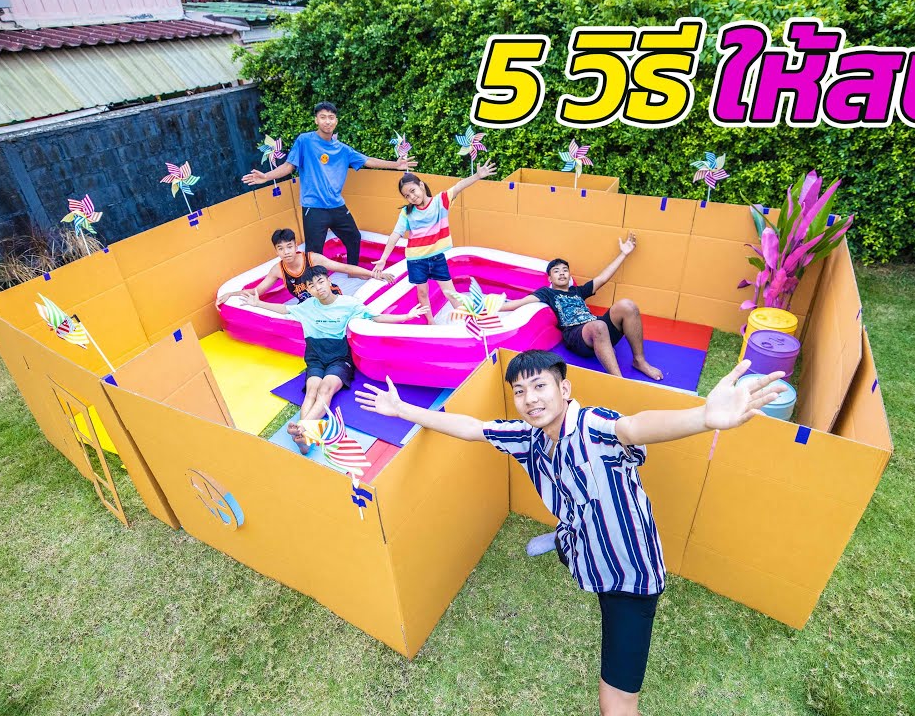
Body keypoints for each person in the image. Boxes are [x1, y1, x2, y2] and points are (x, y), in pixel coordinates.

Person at [356, 349, 786, 716]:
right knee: (570, 535)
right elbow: (471, 429)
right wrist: (403, 410)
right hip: (583, 545)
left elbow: (634, 427)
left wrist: (704, 417)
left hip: (628, 575)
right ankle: (563, 538)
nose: (529, 398)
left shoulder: (595, 427)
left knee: (615, 703)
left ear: (564, 389)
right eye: (519, 391)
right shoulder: (528, 438)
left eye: (539, 385)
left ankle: (567, 538)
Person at [241, 266, 423, 453]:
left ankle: (302, 427)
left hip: (339, 358)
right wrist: (258, 304)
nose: (318, 288)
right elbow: (284, 309)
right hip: (315, 357)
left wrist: (406, 316)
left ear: (329, 281)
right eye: (312, 286)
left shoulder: (349, 304)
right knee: (312, 390)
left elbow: (376, 317)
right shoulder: (307, 306)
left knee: (325, 388)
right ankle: (305, 439)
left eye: (320, 281)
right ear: (308, 290)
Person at [241, 101, 417, 269]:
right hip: (314, 207)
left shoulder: (342, 149)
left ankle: (352, 271)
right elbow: (288, 166)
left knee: (354, 238)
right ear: (316, 120)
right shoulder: (305, 141)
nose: (327, 121)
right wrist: (266, 176)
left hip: (337, 205)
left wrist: (396, 165)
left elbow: (367, 160)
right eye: (323, 117)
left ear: (336, 121)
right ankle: (315, 282)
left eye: (331, 117)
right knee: (314, 252)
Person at [497, 234, 664, 380]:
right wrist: (490, 306)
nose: (562, 273)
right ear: (550, 278)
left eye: (565, 270)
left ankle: (639, 360)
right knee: (598, 326)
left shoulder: (578, 291)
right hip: (576, 335)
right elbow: (519, 303)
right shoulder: (547, 293)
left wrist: (624, 253)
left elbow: (603, 278)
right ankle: (618, 380)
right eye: (556, 271)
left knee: (628, 305)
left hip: (597, 327)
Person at [373, 160, 497, 323]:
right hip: (416, 260)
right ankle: (431, 321)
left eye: (413, 191)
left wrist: (477, 176)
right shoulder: (407, 213)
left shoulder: (440, 201)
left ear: (421, 185)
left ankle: (469, 320)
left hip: (437, 258)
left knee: (450, 293)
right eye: (407, 196)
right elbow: (396, 234)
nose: (412, 197)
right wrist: (383, 259)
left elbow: (459, 186)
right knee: (422, 292)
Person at [216, 228, 396, 306]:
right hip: (309, 305)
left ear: (295, 246)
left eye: (289, 246)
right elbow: (258, 291)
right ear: (276, 251)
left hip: (330, 298)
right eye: (281, 248)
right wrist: (231, 294)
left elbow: (345, 268)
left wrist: (374, 274)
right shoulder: (277, 270)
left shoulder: (312, 258)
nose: (286, 252)